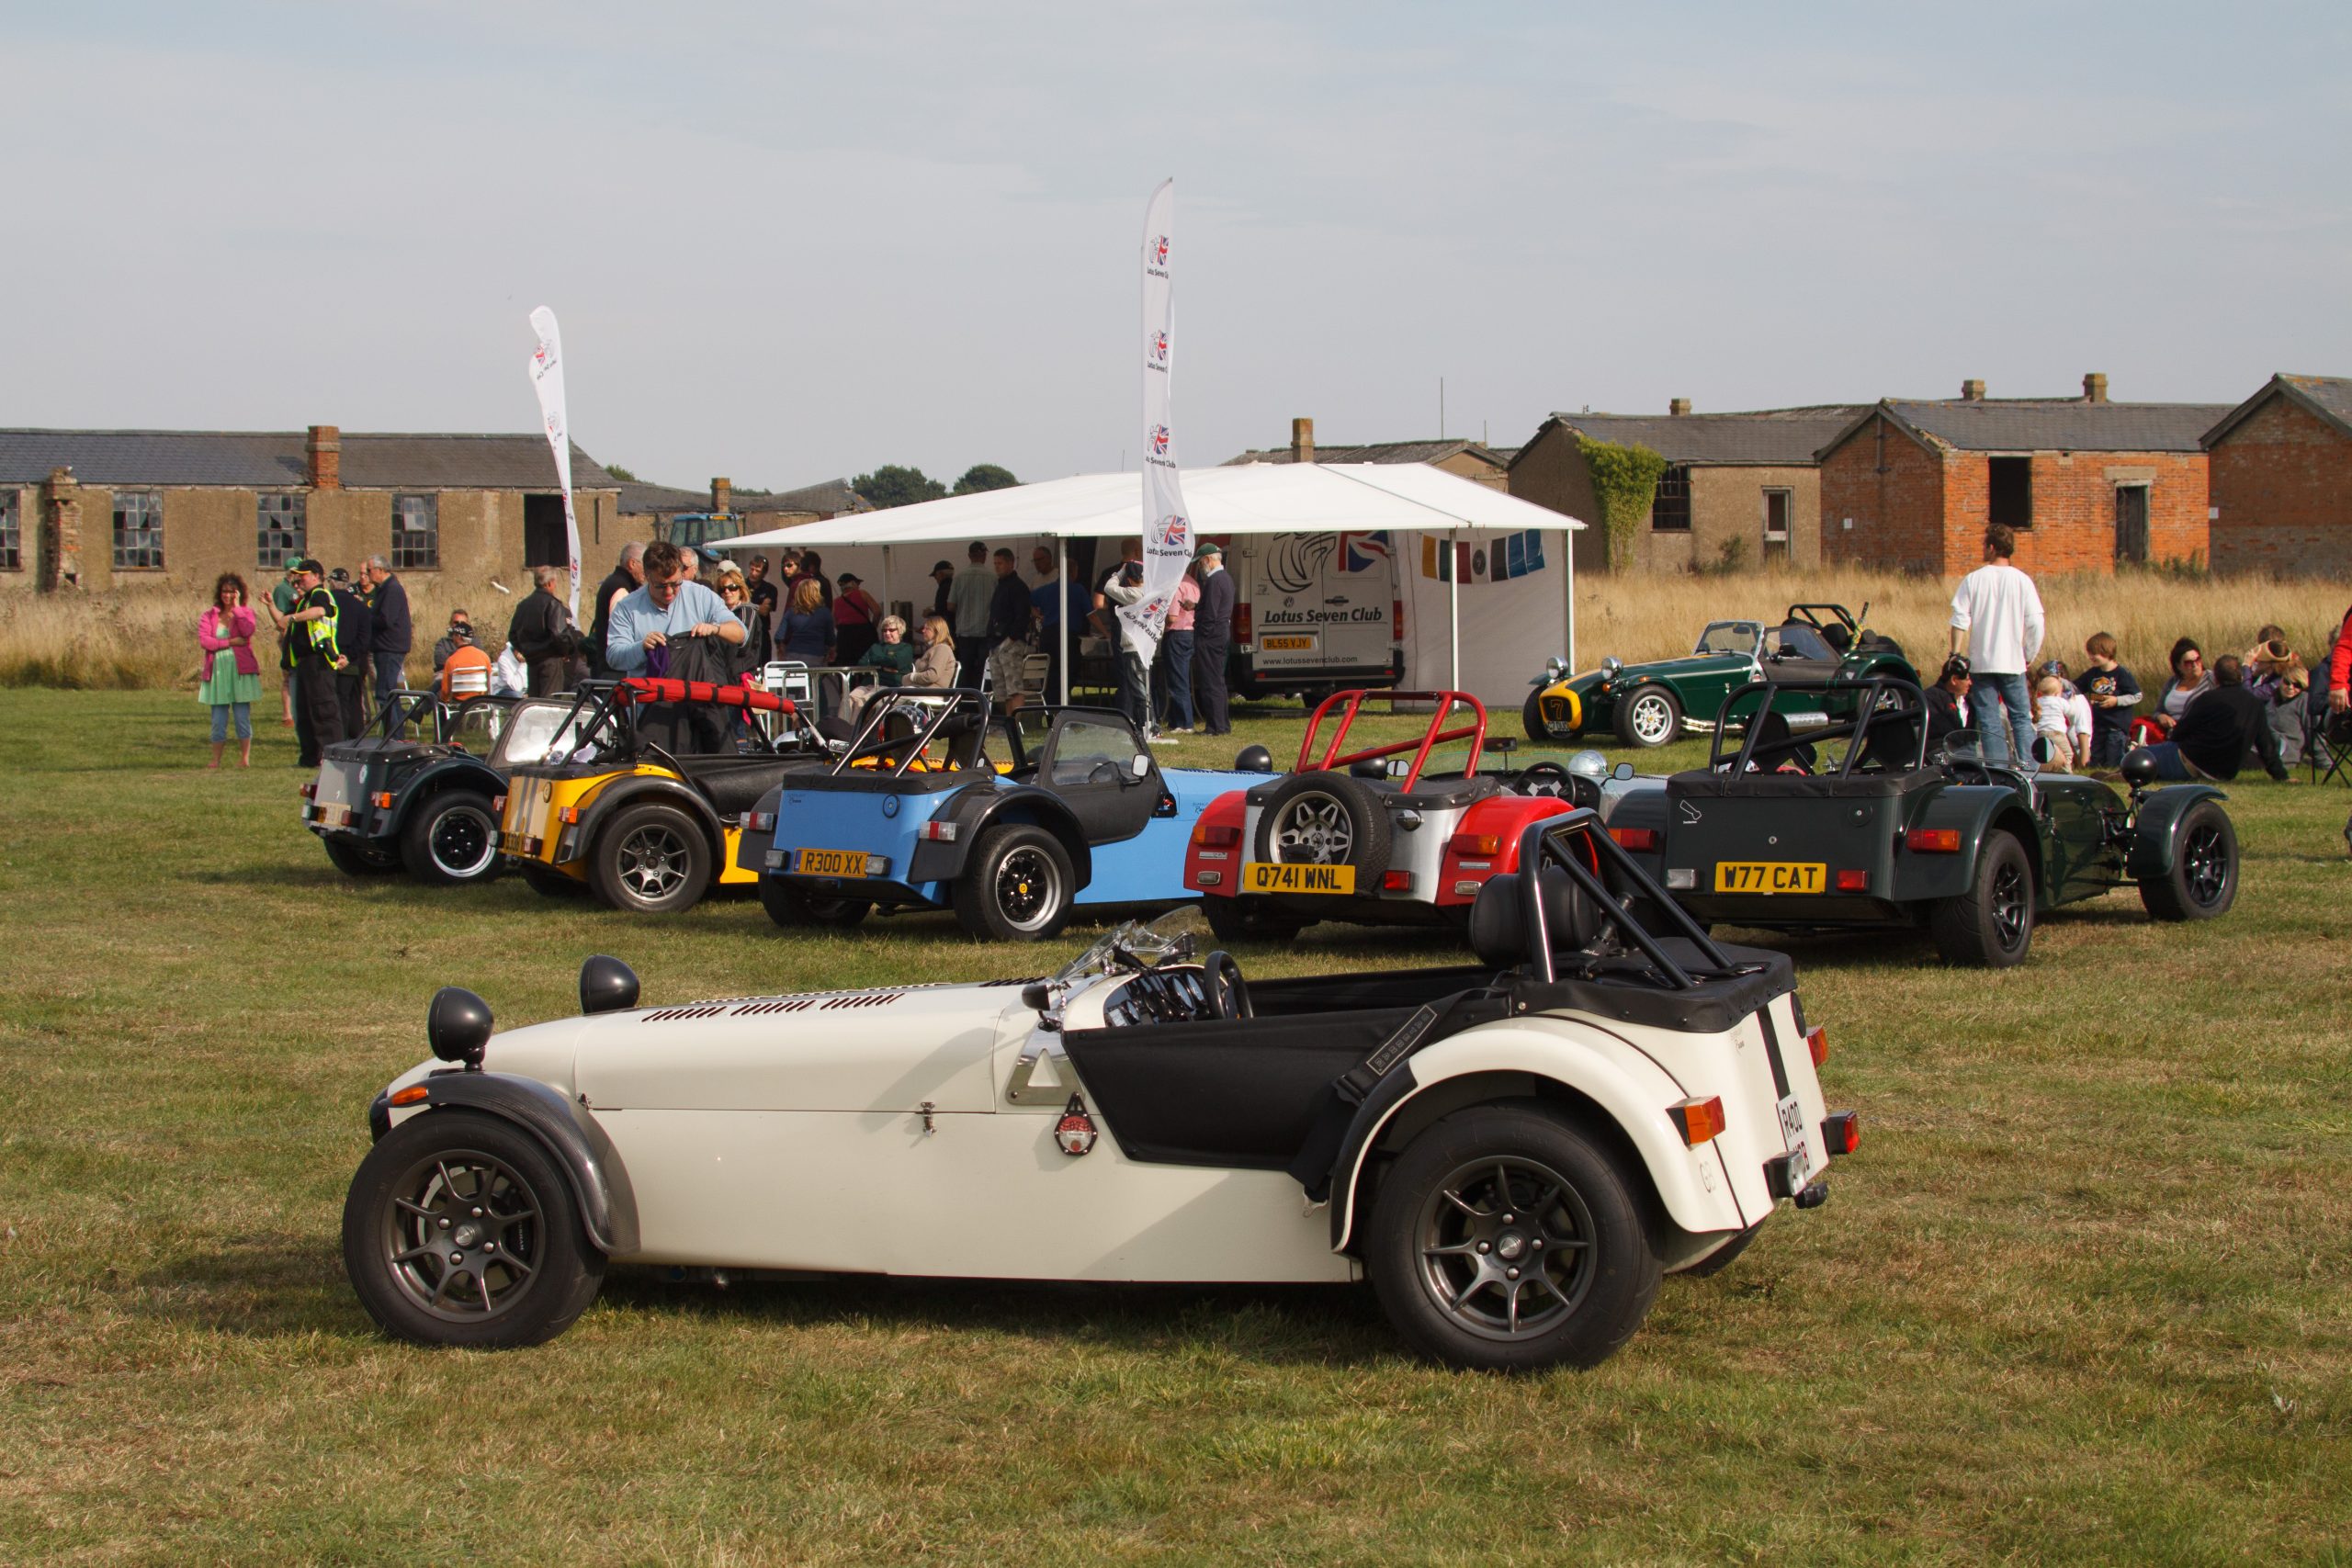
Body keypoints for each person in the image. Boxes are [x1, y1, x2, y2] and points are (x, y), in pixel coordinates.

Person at [1947, 524, 2043, 768]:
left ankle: (1998, 769)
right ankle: (2029, 769)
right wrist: (2028, 654)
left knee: (1989, 720)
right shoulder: (2022, 580)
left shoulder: (1974, 579)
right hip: (2013, 661)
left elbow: (1960, 619)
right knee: (2021, 717)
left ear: (1991, 547)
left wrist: (1955, 653)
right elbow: (2035, 623)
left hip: (1982, 661)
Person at [2139, 655, 2290, 784]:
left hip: (2193, 761)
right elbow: (2266, 746)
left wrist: (2172, 740)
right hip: (2224, 772)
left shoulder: (2207, 699)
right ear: (2240, 676)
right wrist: (2281, 776)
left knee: (2140, 758)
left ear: (2216, 678)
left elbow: (2181, 731)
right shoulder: (2255, 704)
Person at [606, 539, 744, 675]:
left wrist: (715, 628)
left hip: (694, 692)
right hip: (649, 694)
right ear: (647, 577)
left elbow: (741, 633)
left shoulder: (701, 596)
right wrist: (642, 647)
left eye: (675, 584)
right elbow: (614, 657)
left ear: (681, 572)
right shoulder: (627, 607)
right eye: (660, 586)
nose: (669, 592)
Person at [282, 558, 347, 766]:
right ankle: (309, 757)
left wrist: (293, 618)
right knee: (304, 713)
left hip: (319, 662)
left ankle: (333, 757)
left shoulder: (320, 595)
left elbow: (320, 612)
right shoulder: (305, 599)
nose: (299, 579)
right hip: (304, 664)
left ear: (316, 576)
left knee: (323, 711)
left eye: (303, 575)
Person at [198, 572, 262, 769]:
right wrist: (230, 642)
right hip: (218, 672)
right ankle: (215, 759)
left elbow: (248, 631)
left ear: (239, 593)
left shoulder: (246, 613)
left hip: (240, 672)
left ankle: (244, 759)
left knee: (242, 717)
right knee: (218, 719)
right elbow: (205, 641)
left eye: (232, 592)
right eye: (225, 591)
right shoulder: (209, 615)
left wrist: (238, 609)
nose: (228, 595)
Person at [1097, 555, 1151, 728]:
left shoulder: (1133, 593)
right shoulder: (1152, 593)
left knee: (1138, 689)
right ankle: (1150, 724)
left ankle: (1145, 725)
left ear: (1129, 579)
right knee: (1145, 687)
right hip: (1146, 645)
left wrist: (1120, 572)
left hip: (1133, 647)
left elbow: (1108, 587)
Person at [836, 615, 918, 728]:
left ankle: (852, 734)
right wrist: (883, 666)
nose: (887, 633)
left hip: (890, 685)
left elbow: (896, 662)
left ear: (900, 631)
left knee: (863, 701)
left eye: (891, 630)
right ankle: (839, 732)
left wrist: (875, 663)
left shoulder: (906, 648)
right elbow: (862, 663)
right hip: (869, 683)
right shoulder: (876, 646)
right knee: (848, 698)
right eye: (884, 630)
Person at [508, 565, 577, 697]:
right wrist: (566, 651)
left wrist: (527, 650)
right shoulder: (553, 604)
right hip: (551, 661)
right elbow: (558, 634)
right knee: (549, 703)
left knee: (535, 703)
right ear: (550, 583)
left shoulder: (524, 605)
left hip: (532, 661)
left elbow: (513, 634)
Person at [1191, 539, 1235, 736]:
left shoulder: (1215, 580)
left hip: (1212, 635)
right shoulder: (1226, 578)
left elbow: (1211, 612)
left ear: (1208, 559)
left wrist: (1203, 635)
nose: (1201, 567)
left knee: (1210, 681)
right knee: (1217, 680)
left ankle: (1215, 726)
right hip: (1221, 633)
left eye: (1201, 563)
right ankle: (1221, 724)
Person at [2079, 633, 2142, 767]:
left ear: (2106, 652)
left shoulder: (2121, 673)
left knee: (2115, 761)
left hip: (2116, 727)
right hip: (2098, 725)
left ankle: (2130, 749)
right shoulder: (2092, 673)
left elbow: (2137, 695)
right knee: (2097, 760)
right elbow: (2076, 686)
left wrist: (2116, 701)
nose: (2090, 657)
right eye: (2089, 653)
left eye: (2093, 653)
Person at [328, 568, 375, 738]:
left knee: (337, 700)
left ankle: (339, 735)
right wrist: (350, 656)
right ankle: (356, 735)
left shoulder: (327, 604)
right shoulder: (360, 606)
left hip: (331, 658)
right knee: (355, 698)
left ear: (332, 583)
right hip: (355, 660)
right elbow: (364, 637)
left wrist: (337, 656)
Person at [585, 542, 645, 679]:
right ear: (632, 563)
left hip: (610, 666)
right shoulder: (621, 588)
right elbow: (620, 627)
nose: (646, 571)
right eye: (644, 564)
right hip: (616, 670)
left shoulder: (614, 582)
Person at [985, 547, 1035, 707]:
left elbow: (1023, 616)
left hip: (1011, 643)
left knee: (1014, 687)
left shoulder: (1018, 587)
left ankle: (1016, 722)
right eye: (995, 563)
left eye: (1000, 563)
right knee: (1003, 691)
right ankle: (1009, 723)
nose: (997, 567)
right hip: (996, 642)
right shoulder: (1000, 586)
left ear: (1010, 563)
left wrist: (1011, 638)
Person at [362, 556, 412, 713]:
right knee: (385, 693)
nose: (367, 574)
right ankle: (393, 733)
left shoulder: (392, 589)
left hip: (390, 648)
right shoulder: (383, 589)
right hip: (384, 647)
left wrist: (365, 615)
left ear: (380, 570)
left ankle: (395, 735)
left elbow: (386, 620)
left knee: (386, 694)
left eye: (369, 571)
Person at [1156, 565, 1201, 733]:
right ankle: (1176, 721)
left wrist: (1159, 623)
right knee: (1182, 677)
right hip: (1190, 633)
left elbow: (1172, 617)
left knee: (1177, 679)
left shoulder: (1175, 585)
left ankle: (1184, 722)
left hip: (1176, 634)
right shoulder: (1193, 583)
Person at [714, 559, 772, 681]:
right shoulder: (718, 614)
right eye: (722, 589)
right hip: (722, 673)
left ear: (740, 590)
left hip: (741, 674)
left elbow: (744, 643)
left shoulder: (747, 611)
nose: (727, 592)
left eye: (732, 587)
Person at [949, 541, 997, 687]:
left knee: (966, 670)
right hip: (986, 631)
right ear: (984, 556)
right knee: (984, 671)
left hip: (965, 632)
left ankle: (964, 703)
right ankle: (984, 702)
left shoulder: (959, 577)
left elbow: (950, 606)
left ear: (969, 556)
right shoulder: (993, 577)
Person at [2149, 639, 2212, 737]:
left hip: (2199, 734)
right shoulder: (2173, 682)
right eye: (2188, 663)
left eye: (2197, 660)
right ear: (2178, 666)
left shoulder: (2211, 679)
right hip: (2171, 734)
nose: (2195, 665)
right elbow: (2157, 711)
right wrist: (2161, 717)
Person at [266, 565, 302, 727]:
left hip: (302, 639)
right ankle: (287, 714)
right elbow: (280, 617)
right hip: (289, 637)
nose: (297, 577)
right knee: (289, 676)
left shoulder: (308, 593)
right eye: (294, 572)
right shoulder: (282, 589)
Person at [833, 571, 882, 666]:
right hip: (863, 635)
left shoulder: (835, 602)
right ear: (852, 583)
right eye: (858, 584)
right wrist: (873, 627)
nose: (859, 586)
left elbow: (834, 622)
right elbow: (877, 612)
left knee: (847, 668)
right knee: (867, 666)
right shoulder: (862, 594)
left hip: (844, 637)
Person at [1923, 654, 1973, 748]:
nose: (1970, 683)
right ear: (1954, 679)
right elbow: (1940, 735)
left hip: (1968, 755)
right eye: (1967, 679)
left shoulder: (1972, 702)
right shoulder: (1930, 699)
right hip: (1943, 754)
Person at [2031, 675, 2076, 773]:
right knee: (2067, 754)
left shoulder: (2038, 701)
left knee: (2045, 755)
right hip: (2057, 734)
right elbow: (2072, 712)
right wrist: (2072, 700)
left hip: (2041, 733)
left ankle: (2043, 772)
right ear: (2057, 693)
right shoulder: (2060, 701)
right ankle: (2067, 771)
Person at [433, 609, 477, 673]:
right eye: (456, 622)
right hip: (446, 673)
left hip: (470, 673)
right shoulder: (443, 642)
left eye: (462, 623)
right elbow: (440, 662)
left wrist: (451, 655)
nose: (459, 625)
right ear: (450, 624)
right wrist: (465, 655)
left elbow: (479, 659)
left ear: (467, 624)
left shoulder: (475, 640)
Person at [744, 554, 780, 624]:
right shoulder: (741, 586)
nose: (753, 573)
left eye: (757, 571)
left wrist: (746, 606)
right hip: (744, 628)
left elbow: (764, 611)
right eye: (752, 569)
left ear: (764, 573)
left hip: (762, 630)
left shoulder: (770, 589)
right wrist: (759, 607)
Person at [929, 559, 956, 624]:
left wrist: (930, 612)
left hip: (948, 628)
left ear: (941, 574)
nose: (935, 578)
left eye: (935, 575)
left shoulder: (943, 589)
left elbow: (941, 611)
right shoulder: (955, 586)